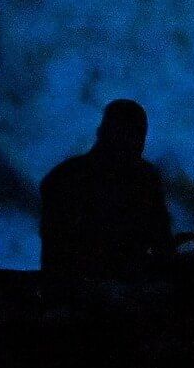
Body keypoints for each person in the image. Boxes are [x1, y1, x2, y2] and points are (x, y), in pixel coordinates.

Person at [38, 99, 173, 283]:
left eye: (136, 135)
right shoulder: (65, 180)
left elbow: (161, 241)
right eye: (126, 134)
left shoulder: (63, 177)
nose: (134, 142)